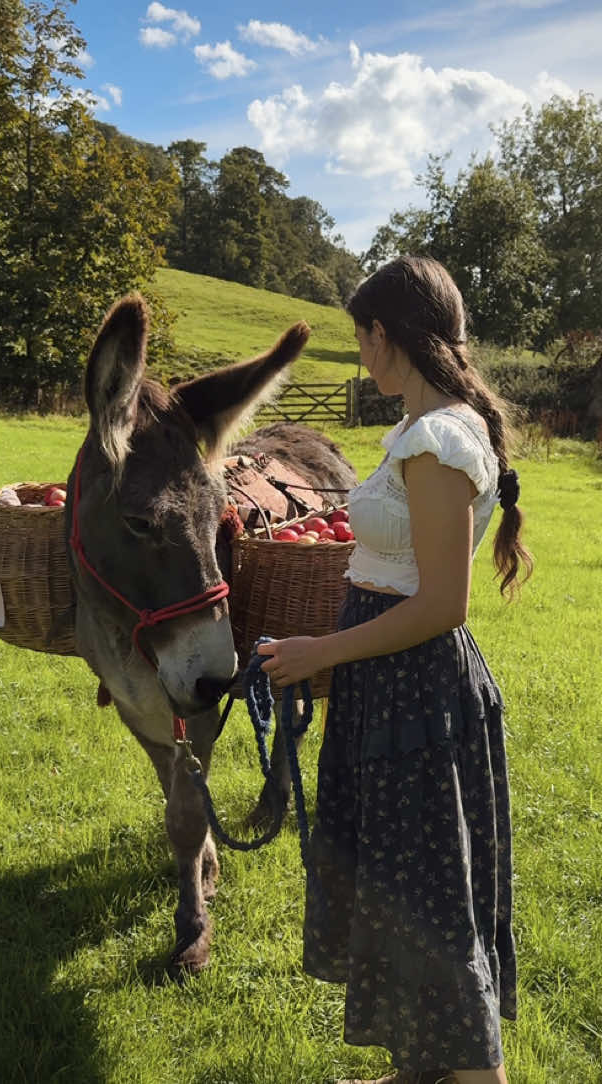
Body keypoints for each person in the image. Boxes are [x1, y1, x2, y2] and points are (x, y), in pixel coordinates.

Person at [257, 256, 532, 1084]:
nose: (358, 356)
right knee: (399, 885)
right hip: (390, 678)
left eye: (358, 339)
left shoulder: (438, 440)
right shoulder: (424, 430)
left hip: (415, 685)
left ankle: (475, 1076)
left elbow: (443, 603)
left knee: (431, 899)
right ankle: (421, 1065)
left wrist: (322, 653)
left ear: (383, 336)